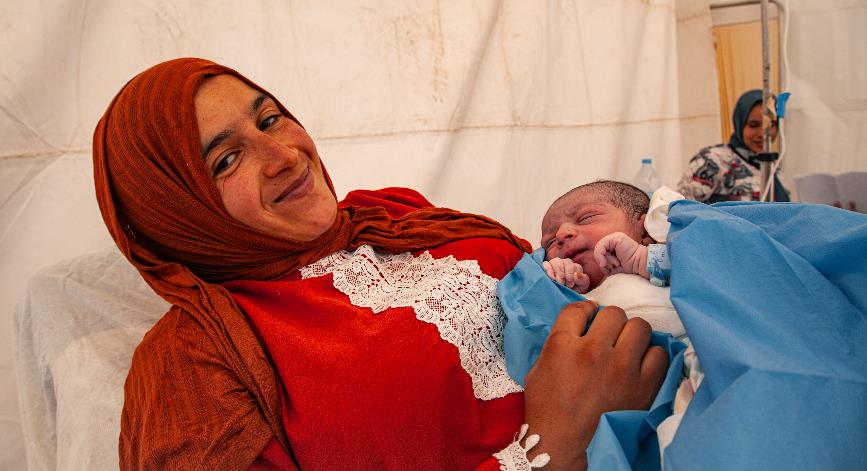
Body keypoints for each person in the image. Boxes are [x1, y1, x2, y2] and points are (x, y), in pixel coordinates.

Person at [92, 58, 668, 470]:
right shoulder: (195, 361)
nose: (284, 156)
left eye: (269, 121)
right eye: (226, 160)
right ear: (177, 211)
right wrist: (552, 445)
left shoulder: (395, 215)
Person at [677, 89, 790, 203]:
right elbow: (681, 205)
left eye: (771, 125)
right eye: (753, 125)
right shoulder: (713, 161)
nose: (763, 134)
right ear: (739, 123)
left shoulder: (774, 168)